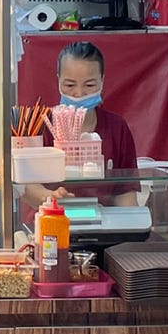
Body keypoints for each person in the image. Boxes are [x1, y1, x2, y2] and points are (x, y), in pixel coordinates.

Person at [22, 40, 138, 211]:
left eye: (90, 85)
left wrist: (132, 227)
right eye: (69, 85)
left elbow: (125, 192)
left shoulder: (117, 127)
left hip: (101, 224)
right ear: (58, 80)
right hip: (49, 219)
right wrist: (49, 197)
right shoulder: (38, 125)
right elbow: (25, 184)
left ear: (102, 81)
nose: (79, 93)